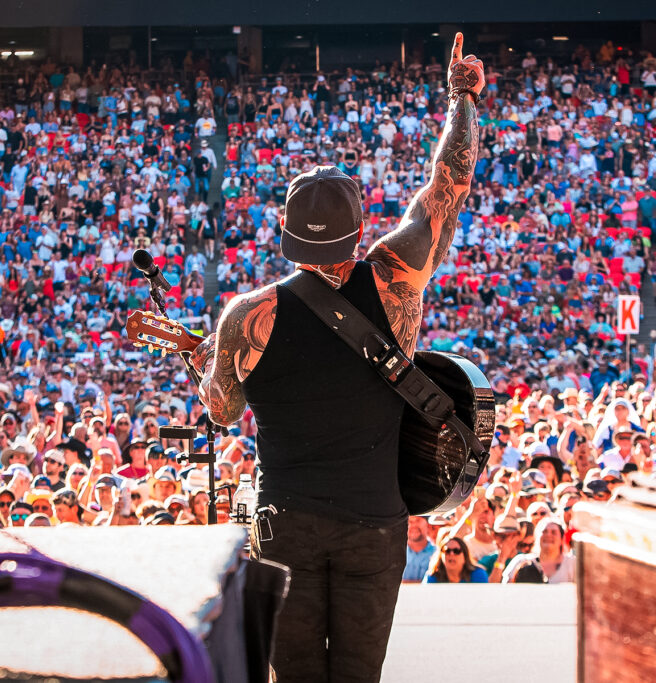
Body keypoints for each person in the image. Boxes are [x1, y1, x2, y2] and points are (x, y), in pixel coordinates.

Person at [189, 33, 484, 683]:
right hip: (374, 520)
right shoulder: (395, 277)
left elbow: (221, 411)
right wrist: (461, 97)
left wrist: (206, 367)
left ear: (288, 235)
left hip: (284, 521)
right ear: (359, 226)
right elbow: (450, 182)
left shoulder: (247, 314)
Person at [502, 518, 575, 584]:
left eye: (554, 532)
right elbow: (505, 591)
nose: (548, 535)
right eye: (544, 531)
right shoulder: (521, 561)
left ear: (562, 539)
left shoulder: (572, 563)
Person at [423, 535, 489, 583]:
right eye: (447, 551)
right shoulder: (432, 577)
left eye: (456, 551)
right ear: (441, 555)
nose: (451, 554)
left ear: (465, 556)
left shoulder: (478, 575)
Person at [402, 515, 437, 583]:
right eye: (410, 521)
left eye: (418, 520)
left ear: (427, 524)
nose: (413, 525)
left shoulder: (438, 552)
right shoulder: (394, 552)